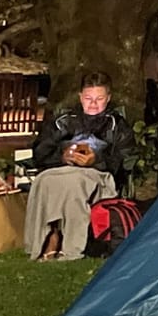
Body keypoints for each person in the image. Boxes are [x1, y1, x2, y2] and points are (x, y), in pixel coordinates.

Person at [25, 71, 135, 261]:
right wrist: (62, 156)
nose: (93, 104)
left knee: (74, 182)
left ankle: (68, 246)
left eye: (99, 99)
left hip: (99, 176)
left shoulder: (117, 125)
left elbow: (126, 159)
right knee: (43, 180)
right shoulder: (64, 121)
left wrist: (96, 160)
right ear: (80, 97)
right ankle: (46, 237)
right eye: (88, 98)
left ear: (108, 98)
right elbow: (40, 153)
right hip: (60, 170)